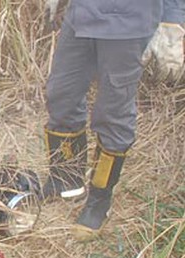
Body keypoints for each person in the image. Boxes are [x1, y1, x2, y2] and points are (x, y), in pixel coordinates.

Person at [41, 0, 185, 240]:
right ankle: (65, 180)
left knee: (112, 114)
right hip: (82, 15)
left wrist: (173, 19)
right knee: (61, 95)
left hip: (127, 25)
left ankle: (99, 200)